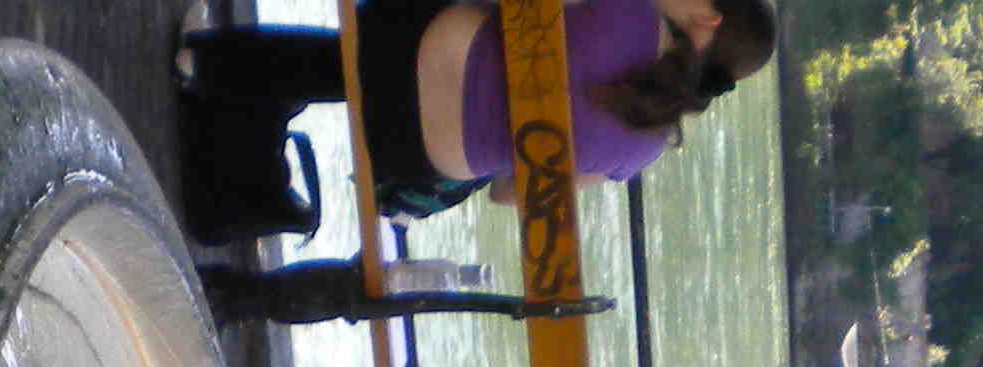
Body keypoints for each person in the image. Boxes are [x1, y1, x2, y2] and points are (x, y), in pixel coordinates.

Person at [178, 0, 778, 245]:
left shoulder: (629, 10)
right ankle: (228, 86)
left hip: (397, 45)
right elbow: (510, 193)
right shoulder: (643, 150)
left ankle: (217, 66)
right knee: (436, 70)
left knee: (438, 34)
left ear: (708, 19)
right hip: (404, 151)